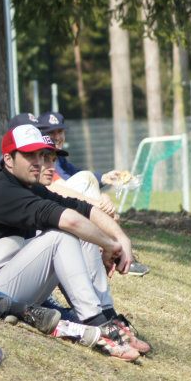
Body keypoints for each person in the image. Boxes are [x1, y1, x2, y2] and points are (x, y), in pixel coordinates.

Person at [0, 124, 149, 361]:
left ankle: (107, 317)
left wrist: (121, 238)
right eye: (29, 155)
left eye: (40, 155)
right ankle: (95, 324)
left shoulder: (26, 185)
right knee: (62, 235)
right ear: (8, 160)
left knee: (81, 232)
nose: (38, 162)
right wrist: (110, 245)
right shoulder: (2, 190)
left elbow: (83, 209)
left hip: (9, 283)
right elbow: (69, 221)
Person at [34, 111, 150, 276]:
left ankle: (112, 251)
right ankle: (115, 253)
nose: (57, 136)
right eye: (51, 132)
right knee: (88, 181)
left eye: (60, 131)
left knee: (91, 184)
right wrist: (97, 205)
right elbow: (56, 188)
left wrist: (104, 186)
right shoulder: (40, 161)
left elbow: (76, 176)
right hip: (49, 220)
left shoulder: (58, 159)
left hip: (65, 211)